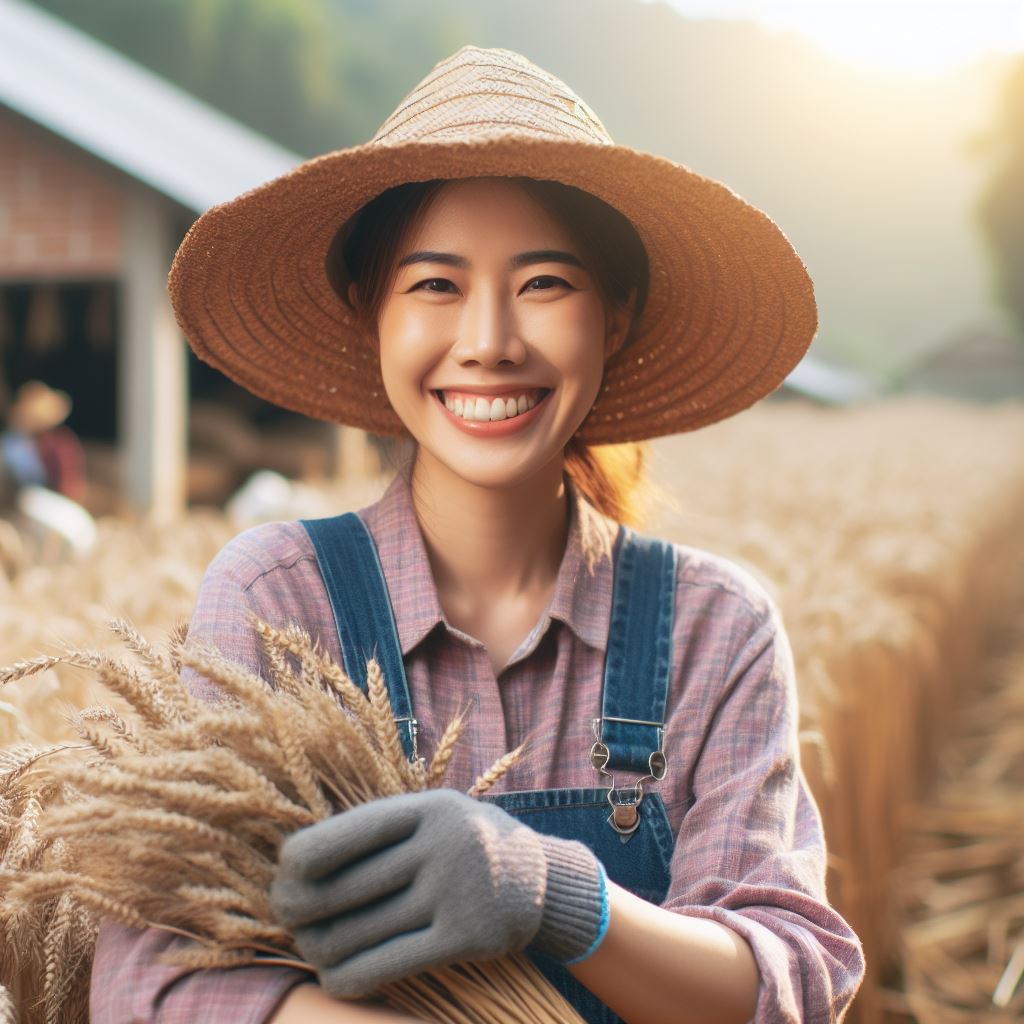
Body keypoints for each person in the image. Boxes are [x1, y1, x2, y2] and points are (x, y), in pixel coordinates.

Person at [89, 45, 865, 1024]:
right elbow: (152, 981)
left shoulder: (714, 629)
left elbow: (787, 981)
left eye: (543, 284)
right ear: (369, 313)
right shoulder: (277, 600)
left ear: (614, 318)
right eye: (435, 286)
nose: (489, 338)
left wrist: (554, 894)